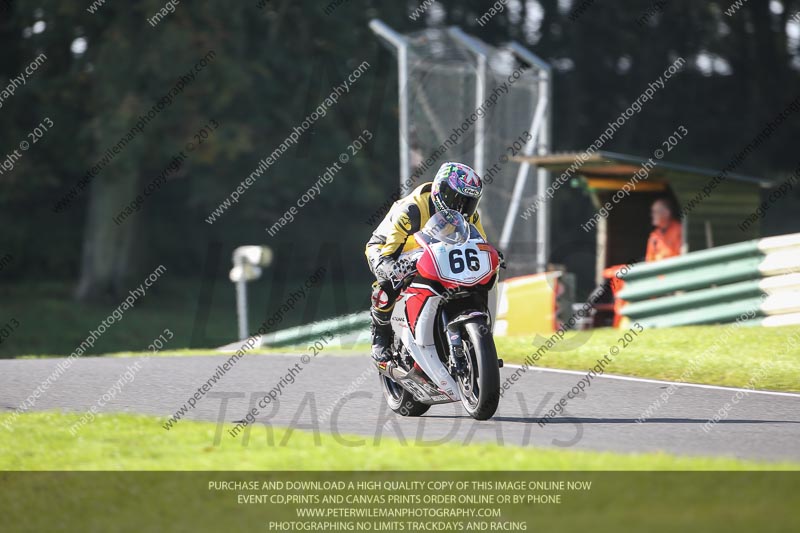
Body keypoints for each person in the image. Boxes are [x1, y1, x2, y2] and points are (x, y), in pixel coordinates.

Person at [364, 162, 487, 363]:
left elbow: (480, 245)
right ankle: (380, 334)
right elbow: (390, 253)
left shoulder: (469, 216)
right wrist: (394, 268)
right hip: (389, 248)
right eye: (456, 199)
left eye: (468, 202)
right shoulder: (412, 209)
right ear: (440, 190)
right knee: (389, 280)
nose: (461, 207)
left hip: (430, 247)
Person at [646, 197, 683, 262]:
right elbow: (649, 260)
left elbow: (680, 256)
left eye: (656, 212)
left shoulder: (679, 230)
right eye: (652, 212)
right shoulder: (654, 236)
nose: (653, 215)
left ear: (667, 213)